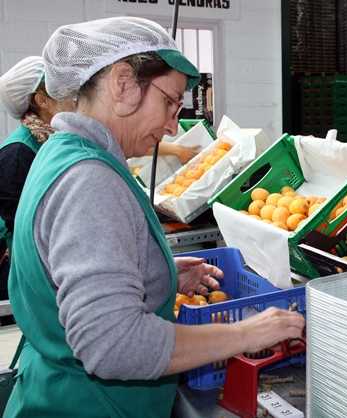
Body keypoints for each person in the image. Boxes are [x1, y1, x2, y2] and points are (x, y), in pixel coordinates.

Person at [6, 16, 304, 417]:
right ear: (123, 83)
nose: (173, 126)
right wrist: (246, 333)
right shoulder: (89, 180)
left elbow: (63, 274)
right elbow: (115, 345)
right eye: (169, 102)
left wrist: (153, 272)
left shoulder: (61, 154)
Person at [0, 56, 76, 302]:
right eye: (59, 88)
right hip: (34, 275)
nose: (72, 94)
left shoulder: (54, 141)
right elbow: (25, 229)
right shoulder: (17, 154)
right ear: (41, 100)